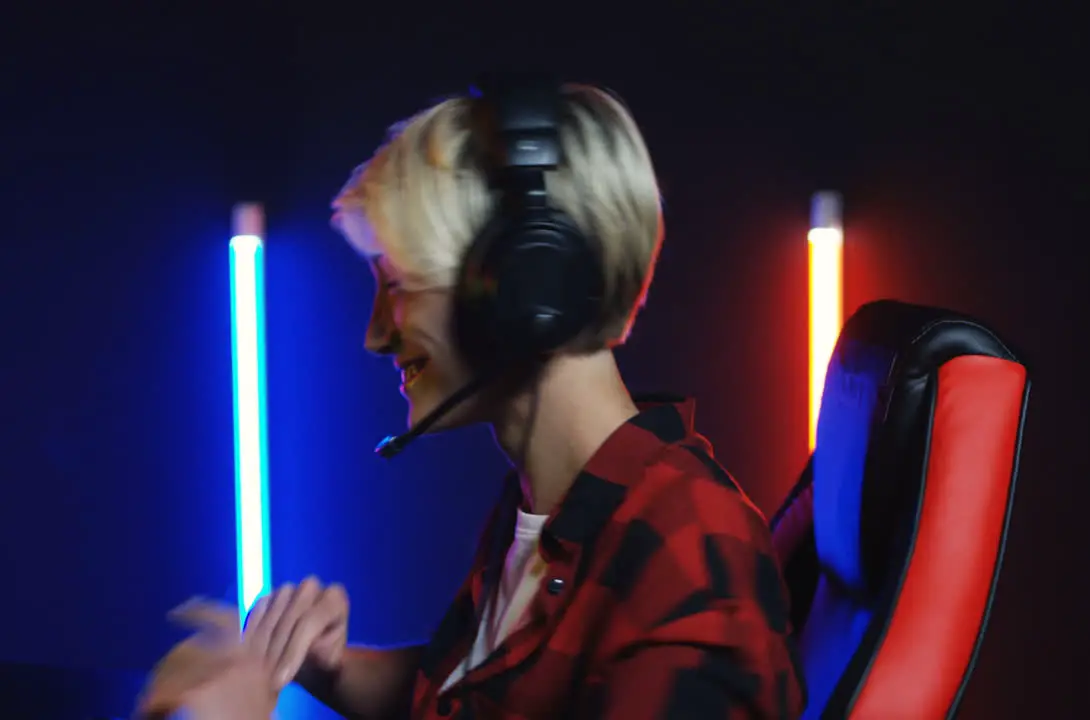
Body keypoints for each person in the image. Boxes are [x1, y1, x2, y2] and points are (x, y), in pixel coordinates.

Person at [141, 76, 805, 719]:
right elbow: (477, 699)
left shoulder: (687, 552)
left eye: (396, 284)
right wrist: (333, 665)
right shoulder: (551, 511)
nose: (374, 336)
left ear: (525, 297)